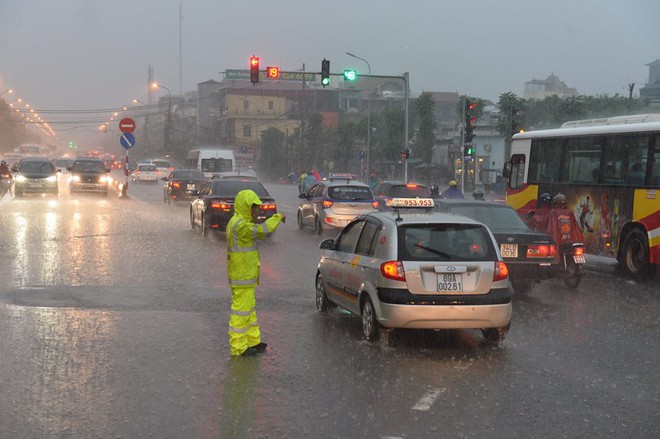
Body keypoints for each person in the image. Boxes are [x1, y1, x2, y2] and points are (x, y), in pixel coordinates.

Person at [226, 189, 286, 356]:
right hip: (242, 276)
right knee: (241, 312)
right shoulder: (240, 225)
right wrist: (278, 217)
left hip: (244, 275)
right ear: (245, 206)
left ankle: (252, 341)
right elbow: (263, 230)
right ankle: (239, 347)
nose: (256, 210)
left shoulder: (238, 221)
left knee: (248, 310)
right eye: (253, 207)